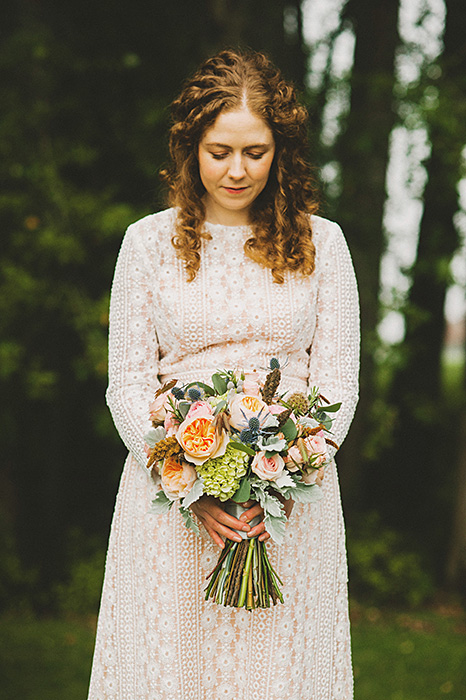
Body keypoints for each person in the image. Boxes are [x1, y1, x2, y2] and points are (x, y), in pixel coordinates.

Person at [88, 49, 359, 700]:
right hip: (172, 505)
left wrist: (290, 473)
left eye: (256, 152)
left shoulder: (325, 243)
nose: (237, 170)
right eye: (219, 151)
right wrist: (185, 482)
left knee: (276, 676)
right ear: (190, 148)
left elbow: (338, 383)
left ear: (280, 152)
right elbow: (126, 381)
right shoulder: (147, 243)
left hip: (289, 509)